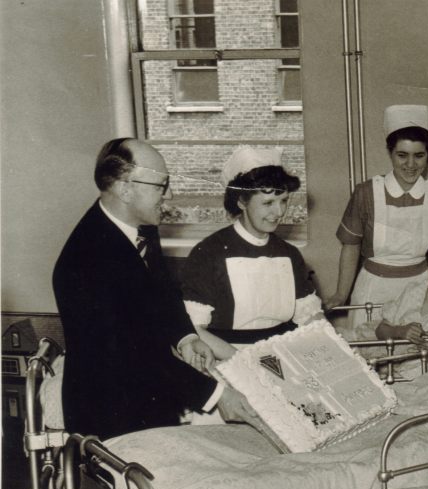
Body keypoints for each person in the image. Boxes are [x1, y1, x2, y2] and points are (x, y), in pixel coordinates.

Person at [52, 138, 254, 440]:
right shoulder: (86, 260)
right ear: (125, 188)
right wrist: (217, 395)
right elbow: (130, 354)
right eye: (162, 185)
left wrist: (185, 336)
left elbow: (162, 291)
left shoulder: (142, 227)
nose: (170, 194)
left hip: (149, 398)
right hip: (110, 414)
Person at [180, 147, 321, 360]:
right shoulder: (209, 253)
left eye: (284, 200)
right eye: (268, 203)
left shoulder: (289, 254)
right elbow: (194, 329)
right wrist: (244, 364)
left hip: (281, 354)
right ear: (241, 201)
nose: (279, 212)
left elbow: (311, 319)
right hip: (225, 357)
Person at [328, 104, 428, 317]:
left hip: (421, 290)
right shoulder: (366, 192)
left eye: (419, 155)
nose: (411, 164)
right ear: (390, 153)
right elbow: (351, 247)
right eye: (402, 155)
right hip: (373, 291)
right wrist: (341, 294)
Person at [347, 233, 428, 351]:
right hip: (375, 348)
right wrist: (400, 331)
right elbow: (380, 330)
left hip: (405, 365)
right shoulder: (414, 291)